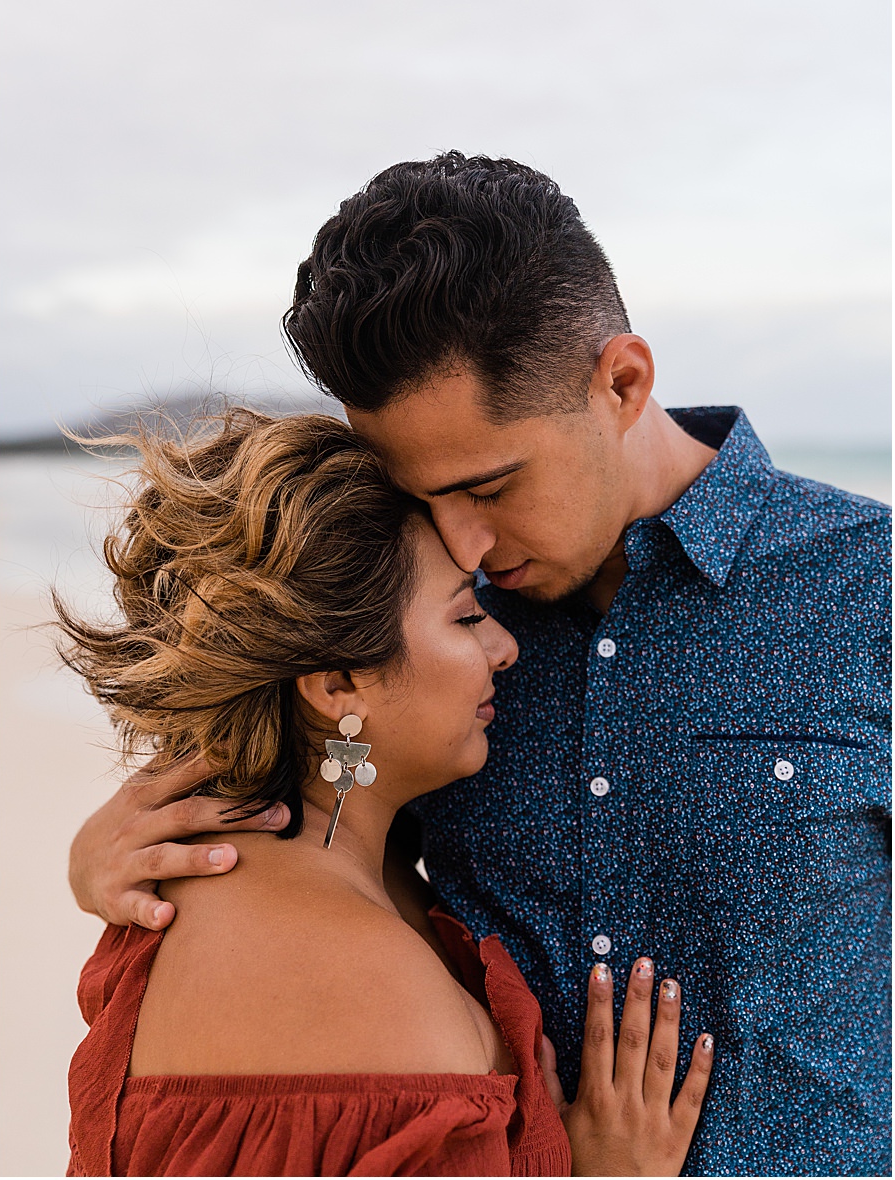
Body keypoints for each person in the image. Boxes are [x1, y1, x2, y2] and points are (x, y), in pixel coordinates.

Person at [68, 155, 892, 1179]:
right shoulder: (423, 623)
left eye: (490, 485)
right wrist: (112, 855)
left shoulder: (871, 587)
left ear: (623, 383)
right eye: (425, 494)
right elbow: (325, 824)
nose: (462, 539)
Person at [60, 406, 711, 1177]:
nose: (505, 647)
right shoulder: (381, 1002)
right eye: (467, 616)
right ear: (336, 683)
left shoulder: (198, 876)